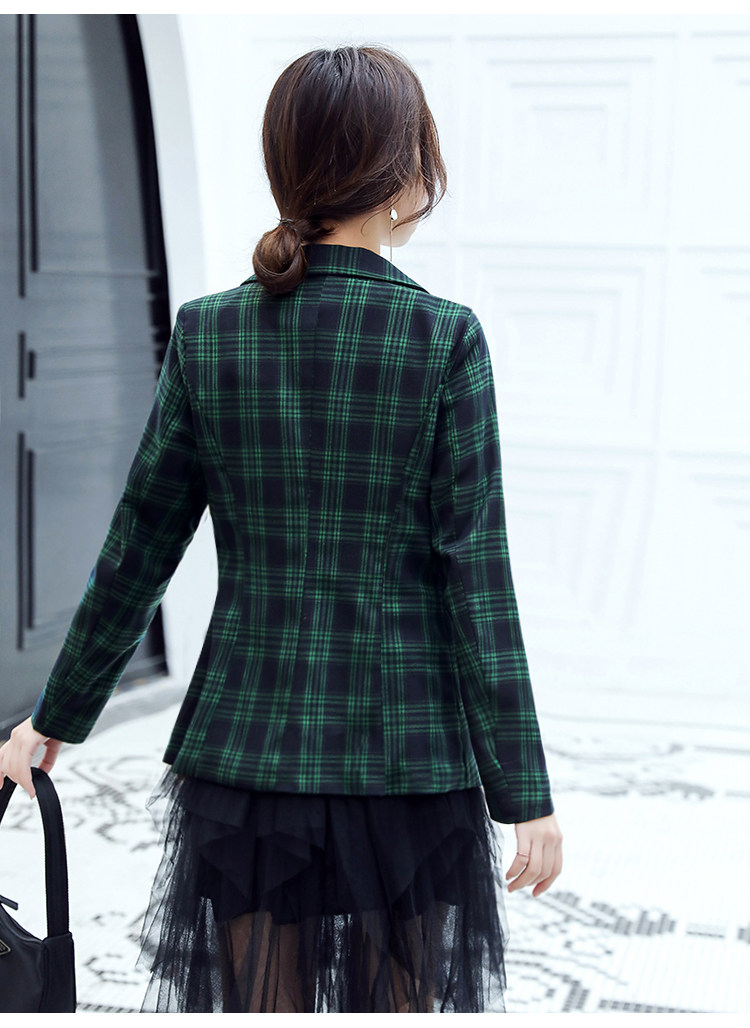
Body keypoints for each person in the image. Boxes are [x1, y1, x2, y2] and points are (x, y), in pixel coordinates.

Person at [0, 44, 562, 1013]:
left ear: (285, 165)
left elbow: (140, 548)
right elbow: (478, 580)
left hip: (246, 751)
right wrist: (525, 792)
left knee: (263, 1005)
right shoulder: (444, 338)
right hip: (407, 759)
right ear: (409, 170)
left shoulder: (209, 331)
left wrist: (57, 718)